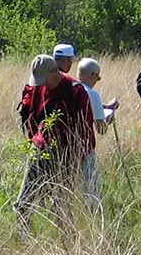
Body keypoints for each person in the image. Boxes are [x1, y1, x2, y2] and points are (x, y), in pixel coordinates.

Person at [15, 54, 92, 231]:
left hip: (67, 156)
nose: (40, 84)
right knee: (23, 204)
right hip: (40, 151)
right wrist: (33, 141)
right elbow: (32, 116)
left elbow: (85, 130)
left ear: (55, 72)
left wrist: (77, 161)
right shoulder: (37, 87)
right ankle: (24, 241)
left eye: (44, 79)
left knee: (62, 207)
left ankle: (69, 245)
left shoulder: (76, 91)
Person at [76, 58, 118, 207]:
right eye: (98, 78)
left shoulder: (71, 88)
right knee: (91, 189)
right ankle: (94, 215)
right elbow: (101, 129)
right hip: (85, 148)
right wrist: (109, 117)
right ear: (92, 75)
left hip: (65, 147)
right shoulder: (91, 94)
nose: (97, 81)